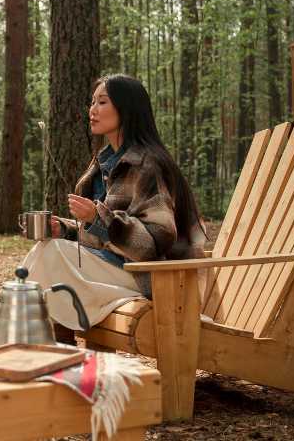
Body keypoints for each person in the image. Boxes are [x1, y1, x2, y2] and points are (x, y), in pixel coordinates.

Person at [21, 74, 206, 344]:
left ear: (126, 108)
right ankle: (52, 344)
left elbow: (153, 244)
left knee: (51, 255)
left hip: (151, 279)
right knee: (50, 247)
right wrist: (66, 229)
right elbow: (102, 238)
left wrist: (98, 217)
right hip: (115, 269)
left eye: (102, 102)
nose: (92, 110)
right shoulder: (104, 164)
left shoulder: (147, 164)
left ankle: (42, 341)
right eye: (92, 102)